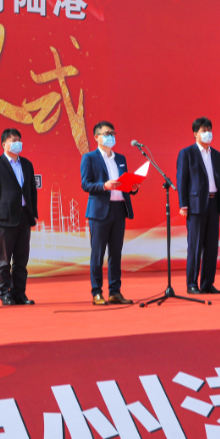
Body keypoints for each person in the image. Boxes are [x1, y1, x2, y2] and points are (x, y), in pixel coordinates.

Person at [81, 121, 137, 305]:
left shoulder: (120, 158)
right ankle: (97, 292)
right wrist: (104, 186)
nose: (110, 136)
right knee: (97, 253)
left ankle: (115, 292)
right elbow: (85, 184)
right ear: (96, 137)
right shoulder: (89, 158)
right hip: (99, 211)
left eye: (112, 133)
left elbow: (125, 183)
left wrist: (133, 187)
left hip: (119, 209)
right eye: (106, 133)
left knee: (116, 253)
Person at [176, 117, 220, 295]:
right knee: (195, 246)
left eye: (209, 129)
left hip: (213, 203)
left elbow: (219, 179)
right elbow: (182, 180)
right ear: (195, 133)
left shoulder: (216, 154)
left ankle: (207, 283)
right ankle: (192, 284)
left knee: (211, 246)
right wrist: (183, 204)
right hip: (195, 205)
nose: (207, 133)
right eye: (203, 130)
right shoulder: (187, 153)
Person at [0, 128, 38, 305]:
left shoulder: (27, 164)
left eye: (19, 139)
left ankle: (19, 293)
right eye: (13, 140)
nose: (17, 143)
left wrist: (34, 213)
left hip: (24, 217)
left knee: (21, 260)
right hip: (5, 218)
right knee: (4, 260)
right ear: (4, 144)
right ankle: (4, 293)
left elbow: (32, 190)